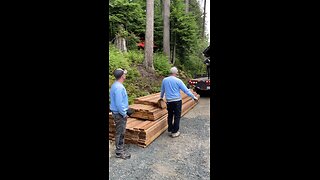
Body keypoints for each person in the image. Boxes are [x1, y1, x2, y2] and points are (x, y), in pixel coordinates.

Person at [160, 67, 198, 138]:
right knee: (177, 116)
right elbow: (186, 90)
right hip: (177, 101)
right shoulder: (178, 81)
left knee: (170, 115)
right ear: (175, 73)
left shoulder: (164, 80)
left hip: (169, 101)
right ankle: (174, 132)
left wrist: (161, 98)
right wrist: (193, 97)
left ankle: (170, 129)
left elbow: (162, 90)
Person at [109, 68, 131, 159]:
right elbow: (119, 103)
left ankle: (120, 149)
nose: (125, 75)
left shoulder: (115, 85)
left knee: (120, 132)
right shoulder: (119, 87)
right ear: (122, 76)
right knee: (120, 133)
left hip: (117, 112)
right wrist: (124, 113)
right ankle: (119, 152)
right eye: (124, 74)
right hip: (119, 114)